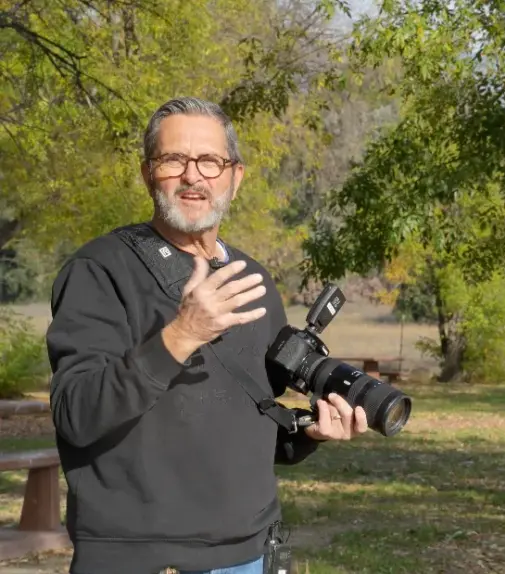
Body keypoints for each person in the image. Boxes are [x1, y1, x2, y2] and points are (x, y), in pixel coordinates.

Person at [45, 96, 369, 574]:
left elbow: (245, 424)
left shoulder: (251, 279)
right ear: (147, 173)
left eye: (210, 161)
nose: (193, 176)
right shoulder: (100, 271)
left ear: (235, 178)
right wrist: (181, 334)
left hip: (252, 552)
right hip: (145, 560)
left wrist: (308, 434)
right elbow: (76, 415)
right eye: (173, 159)